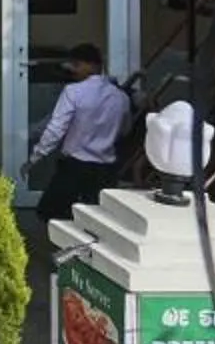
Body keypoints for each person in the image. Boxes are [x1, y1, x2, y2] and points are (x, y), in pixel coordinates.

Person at [28, 42, 136, 223]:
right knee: (98, 220)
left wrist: (36, 156)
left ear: (93, 65)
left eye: (77, 65)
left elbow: (56, 128)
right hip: (105, 170)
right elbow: (125, 129)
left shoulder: (74, 92)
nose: (72, 70)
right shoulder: (121, 97)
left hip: (74, 166)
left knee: (50, 213)